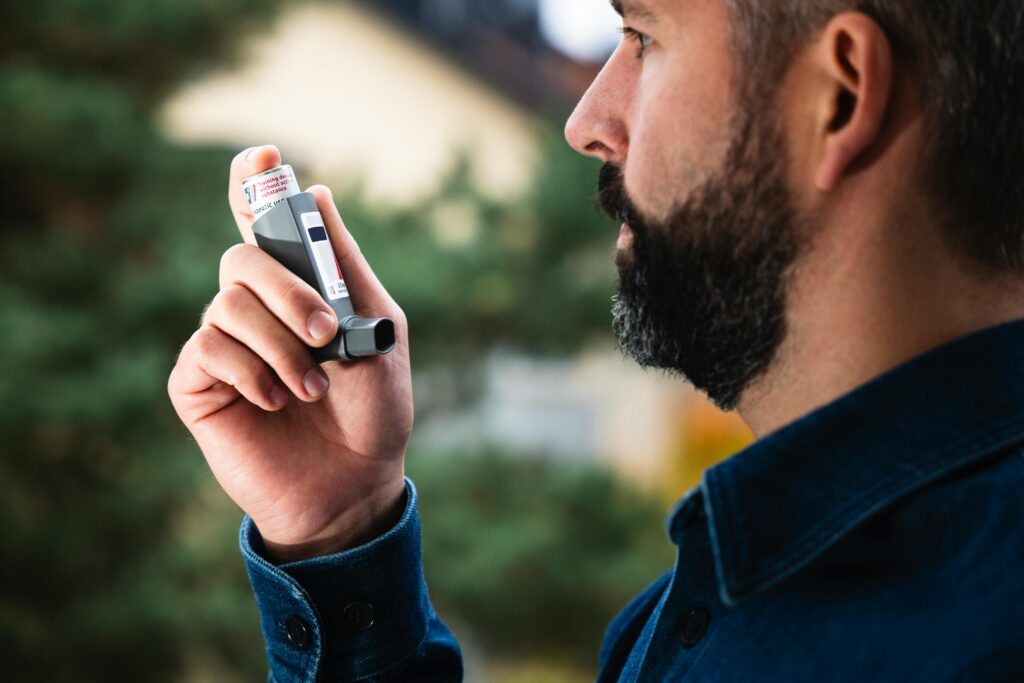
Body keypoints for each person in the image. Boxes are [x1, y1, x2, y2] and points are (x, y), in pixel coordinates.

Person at [167, 0, 1024, 680]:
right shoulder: (706, 602)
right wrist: (342, 530)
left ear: (835, 97)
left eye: (643, 37)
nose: (587, 120)